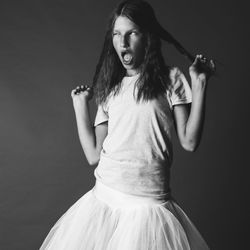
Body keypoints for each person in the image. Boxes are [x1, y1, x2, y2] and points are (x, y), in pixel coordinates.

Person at [40, 0, 215, 249]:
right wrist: (80, 106)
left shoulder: (171, 78)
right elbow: (93, 154)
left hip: (149, 206)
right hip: (105, 199)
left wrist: (199, 85)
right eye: (117, 34)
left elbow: (189, 140)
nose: (122, 43)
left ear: (148, 37)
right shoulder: (110, 89)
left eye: (131, 33)